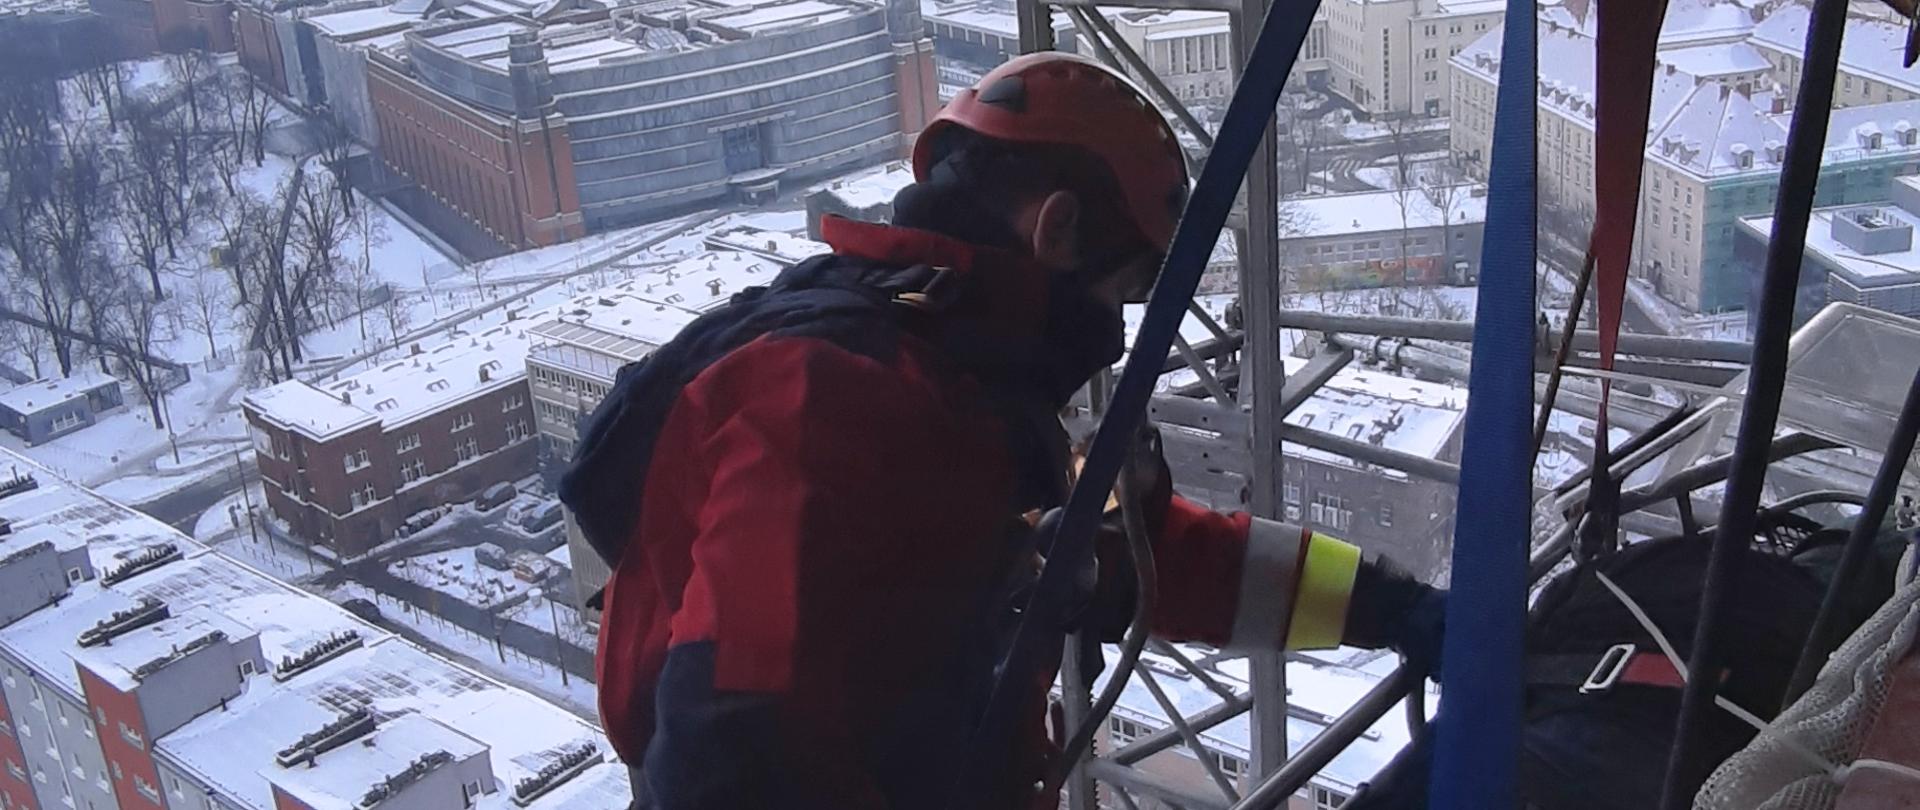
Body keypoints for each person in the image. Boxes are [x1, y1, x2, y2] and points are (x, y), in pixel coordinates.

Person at [563, 52, 1445, 810]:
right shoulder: (829, 398)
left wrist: (1386, 604)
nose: (1119, 327)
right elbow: (732, 750)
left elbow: (1145, 559)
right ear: (1057, 228)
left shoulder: (951, 378)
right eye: (1124, 291)